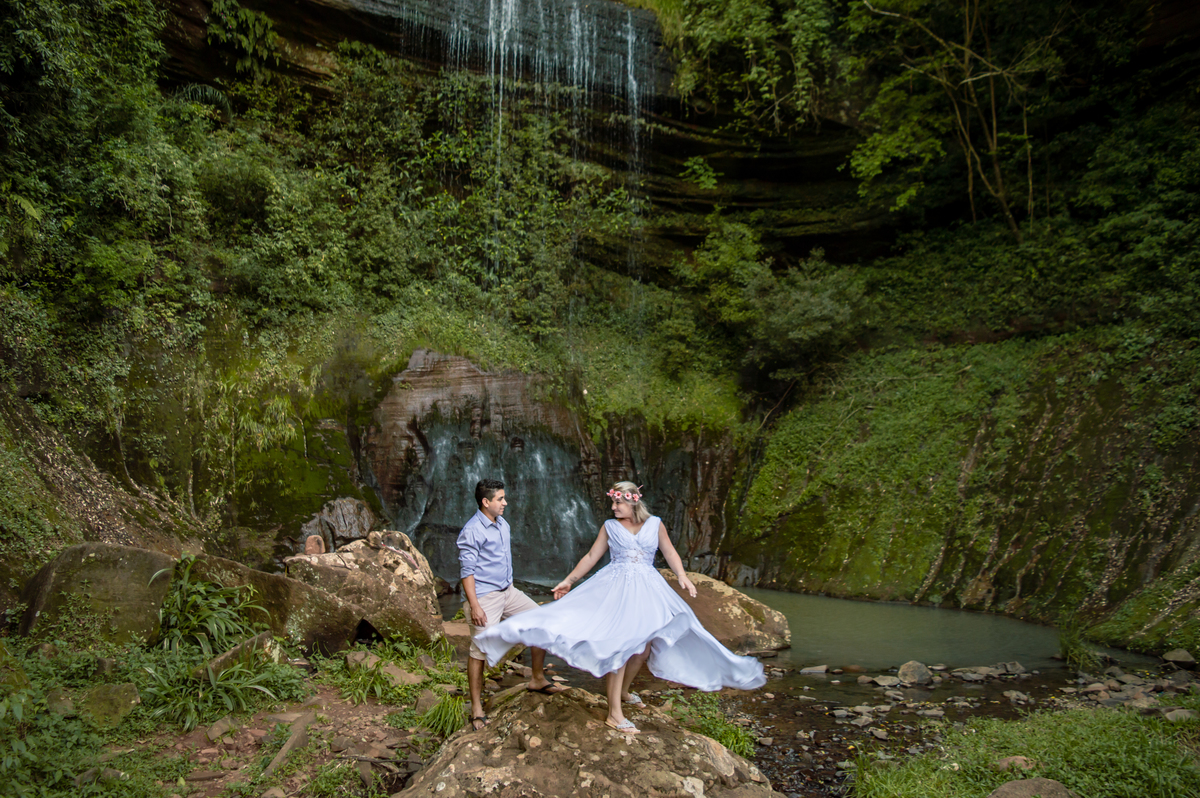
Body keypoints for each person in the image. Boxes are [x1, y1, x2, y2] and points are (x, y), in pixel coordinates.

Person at [475, 481, 766, 733]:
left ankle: (624, 692)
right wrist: (568, 581)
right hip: (616, 588)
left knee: (644, 648)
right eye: (612, 502)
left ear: (633, 502)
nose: (613, 507)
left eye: (618, 503)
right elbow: (591, 557)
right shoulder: (610, 527)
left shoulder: (655, 524)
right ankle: (614, 713)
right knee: (621, 646)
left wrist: (682, 576)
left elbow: (669, 551)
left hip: (648, 589)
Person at [458, 478, 564, 730]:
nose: (505, 502)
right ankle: (476, 708)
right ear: (486, 502)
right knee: (479, 650)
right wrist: (475, 605)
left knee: (541, 621)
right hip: (485, 596)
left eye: (504, 498)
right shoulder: (472, 530)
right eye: (500, 499)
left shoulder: (502, 523)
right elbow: (467, 572)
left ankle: (537, 678)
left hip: (508, 592)